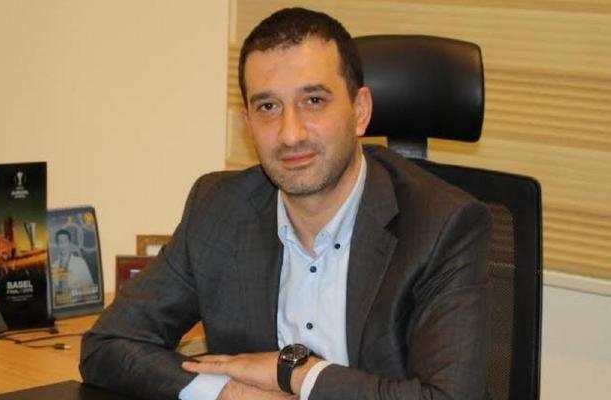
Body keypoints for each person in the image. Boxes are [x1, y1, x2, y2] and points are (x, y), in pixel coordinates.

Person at [80, 7, 491, 400]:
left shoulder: (442, 226)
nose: (291, 134)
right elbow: (108, 344)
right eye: (268, 107)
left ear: (360, 111)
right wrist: (228, 392)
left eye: (313, 101)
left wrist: (294, 373)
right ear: (248, 124)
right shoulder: (218, 209)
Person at [51, 229, 94, 293]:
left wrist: (76, 289)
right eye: (60, 242)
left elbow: (91, 286)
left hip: (77, 298)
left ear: (69, 243)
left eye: (65, 241)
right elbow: (54, 289)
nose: (63, 245)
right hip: (61, 298)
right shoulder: (54, 266)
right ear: (57, 244)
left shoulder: (81, 263)